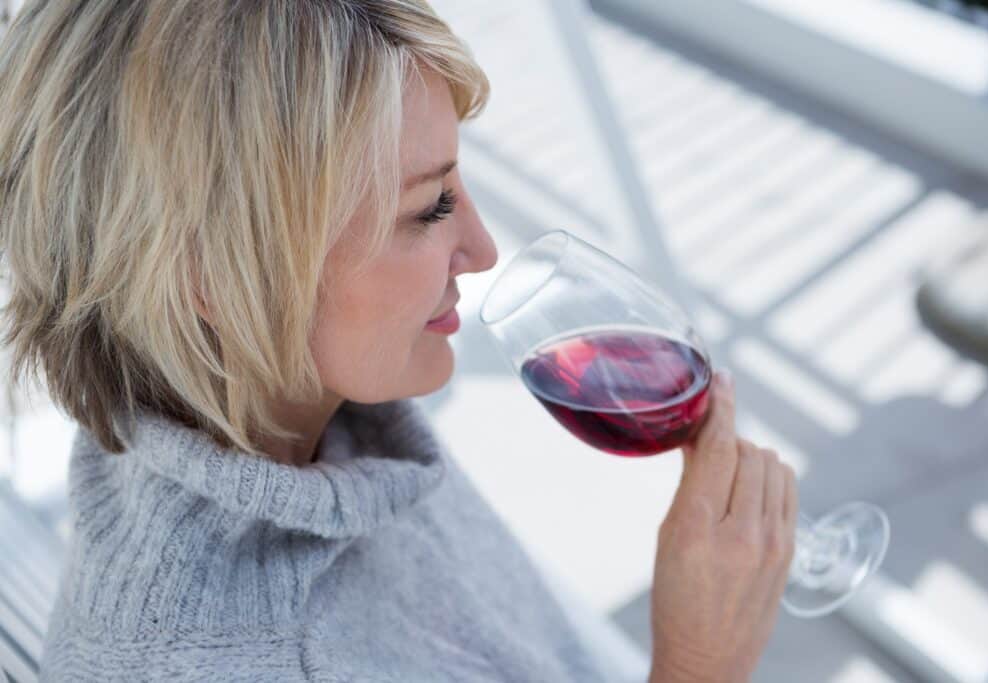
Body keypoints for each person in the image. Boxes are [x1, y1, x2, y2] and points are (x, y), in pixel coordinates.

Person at [0, 1, 797, 681]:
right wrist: (698, 661)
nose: (484, 249)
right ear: (209, 275)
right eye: (428, 209)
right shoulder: (230, 657)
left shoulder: (290, 418)